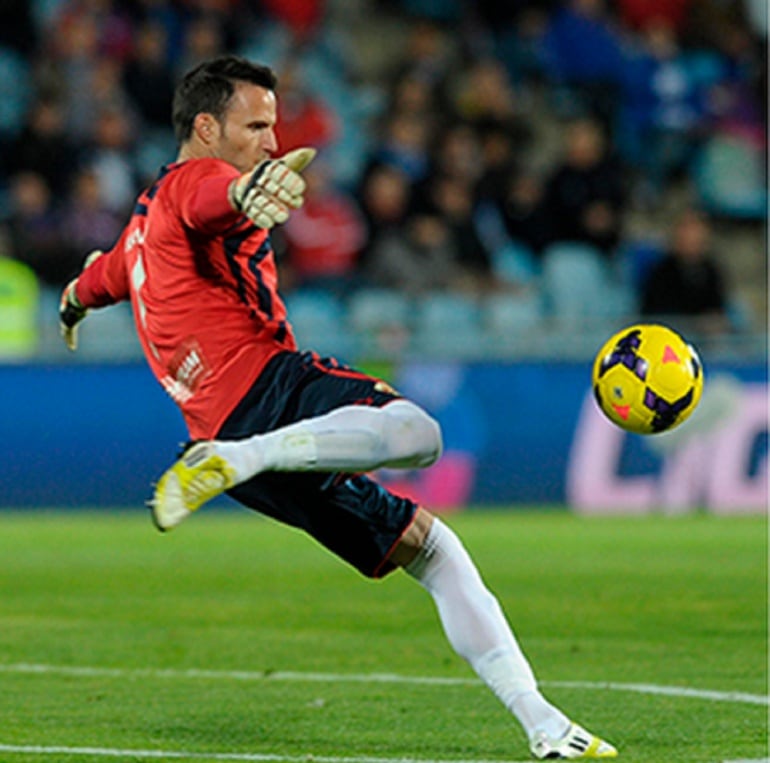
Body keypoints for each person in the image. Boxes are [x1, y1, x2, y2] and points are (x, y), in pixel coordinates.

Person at [58, 55, 617, 760]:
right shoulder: (194, 183)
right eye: (255, 125)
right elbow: (213, 197)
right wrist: (249, 190)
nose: (270, 138)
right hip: (264, 391)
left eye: (274, 126)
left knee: (431, 547)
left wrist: (72, 304)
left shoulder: (138, 232)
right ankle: (238, 456)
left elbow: (96, 279)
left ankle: (545, 724)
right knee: (420, 431)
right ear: (205, 126)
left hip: (225, 438)